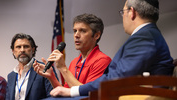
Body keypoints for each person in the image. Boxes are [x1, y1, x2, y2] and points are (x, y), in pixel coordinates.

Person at [41, 0, 175, 99]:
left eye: (123, 12)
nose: (76, 35)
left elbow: (119, 78)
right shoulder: (148, 35)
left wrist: (71, 91)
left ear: (132, 13)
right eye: (75, 31)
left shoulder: (145, 37)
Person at [33, 13, 111, 91]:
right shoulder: (74, 62)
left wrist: (63, 68)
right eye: (75, 31)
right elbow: (67, 93)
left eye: (83, 31)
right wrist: (51, 77)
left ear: (96, 36)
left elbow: (90, 93)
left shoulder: (102, 60)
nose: (76, 35)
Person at [6, 33, 57, 100]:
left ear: (33, 50)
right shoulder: (11, 76)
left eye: (26, 46)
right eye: (18, 47)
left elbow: (53, 97)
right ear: (13, 51)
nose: (22, 50)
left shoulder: (44, 69)